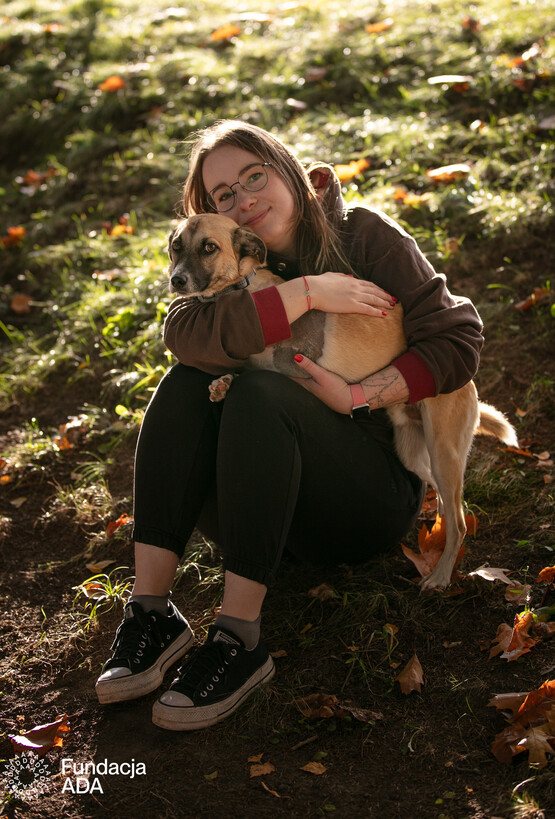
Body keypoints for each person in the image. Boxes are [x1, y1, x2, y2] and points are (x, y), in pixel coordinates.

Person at [95, 120, 484, 731]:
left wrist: (357, 395)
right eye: (225, 194)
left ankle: (240, 638)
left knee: (258, 393)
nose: (245, 198)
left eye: (255, 176)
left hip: (364, 501)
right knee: (182, 384)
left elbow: (458, 341)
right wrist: (305, 293)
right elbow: (182, 334)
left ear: (287, 169)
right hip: (265, 511)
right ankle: (152, 613)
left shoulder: (365, 236)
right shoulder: (218, 258)